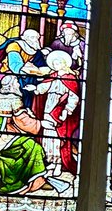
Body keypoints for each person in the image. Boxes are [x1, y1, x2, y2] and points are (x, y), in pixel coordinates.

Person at [0, 76, 48, 196]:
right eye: (16, 82)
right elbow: (22, 121)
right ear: (11, 85)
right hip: (3, 139)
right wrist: (40, 123)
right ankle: (34, 182)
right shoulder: (14, 99)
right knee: (33, 147)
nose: (18, 85)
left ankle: (34, 179)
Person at [33, 49, 80, 179]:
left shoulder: (70, 78)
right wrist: (36, 89)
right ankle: (51, 163)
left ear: (65, 63)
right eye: (54, 63)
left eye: (58, 63)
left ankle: (59, 163)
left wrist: (67, 110)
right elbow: (44, 87)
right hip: (49, 108)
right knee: (48, 136)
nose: (56, 65)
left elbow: (73, 97)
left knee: (59, 137)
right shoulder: (53, 76)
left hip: (60, 111)